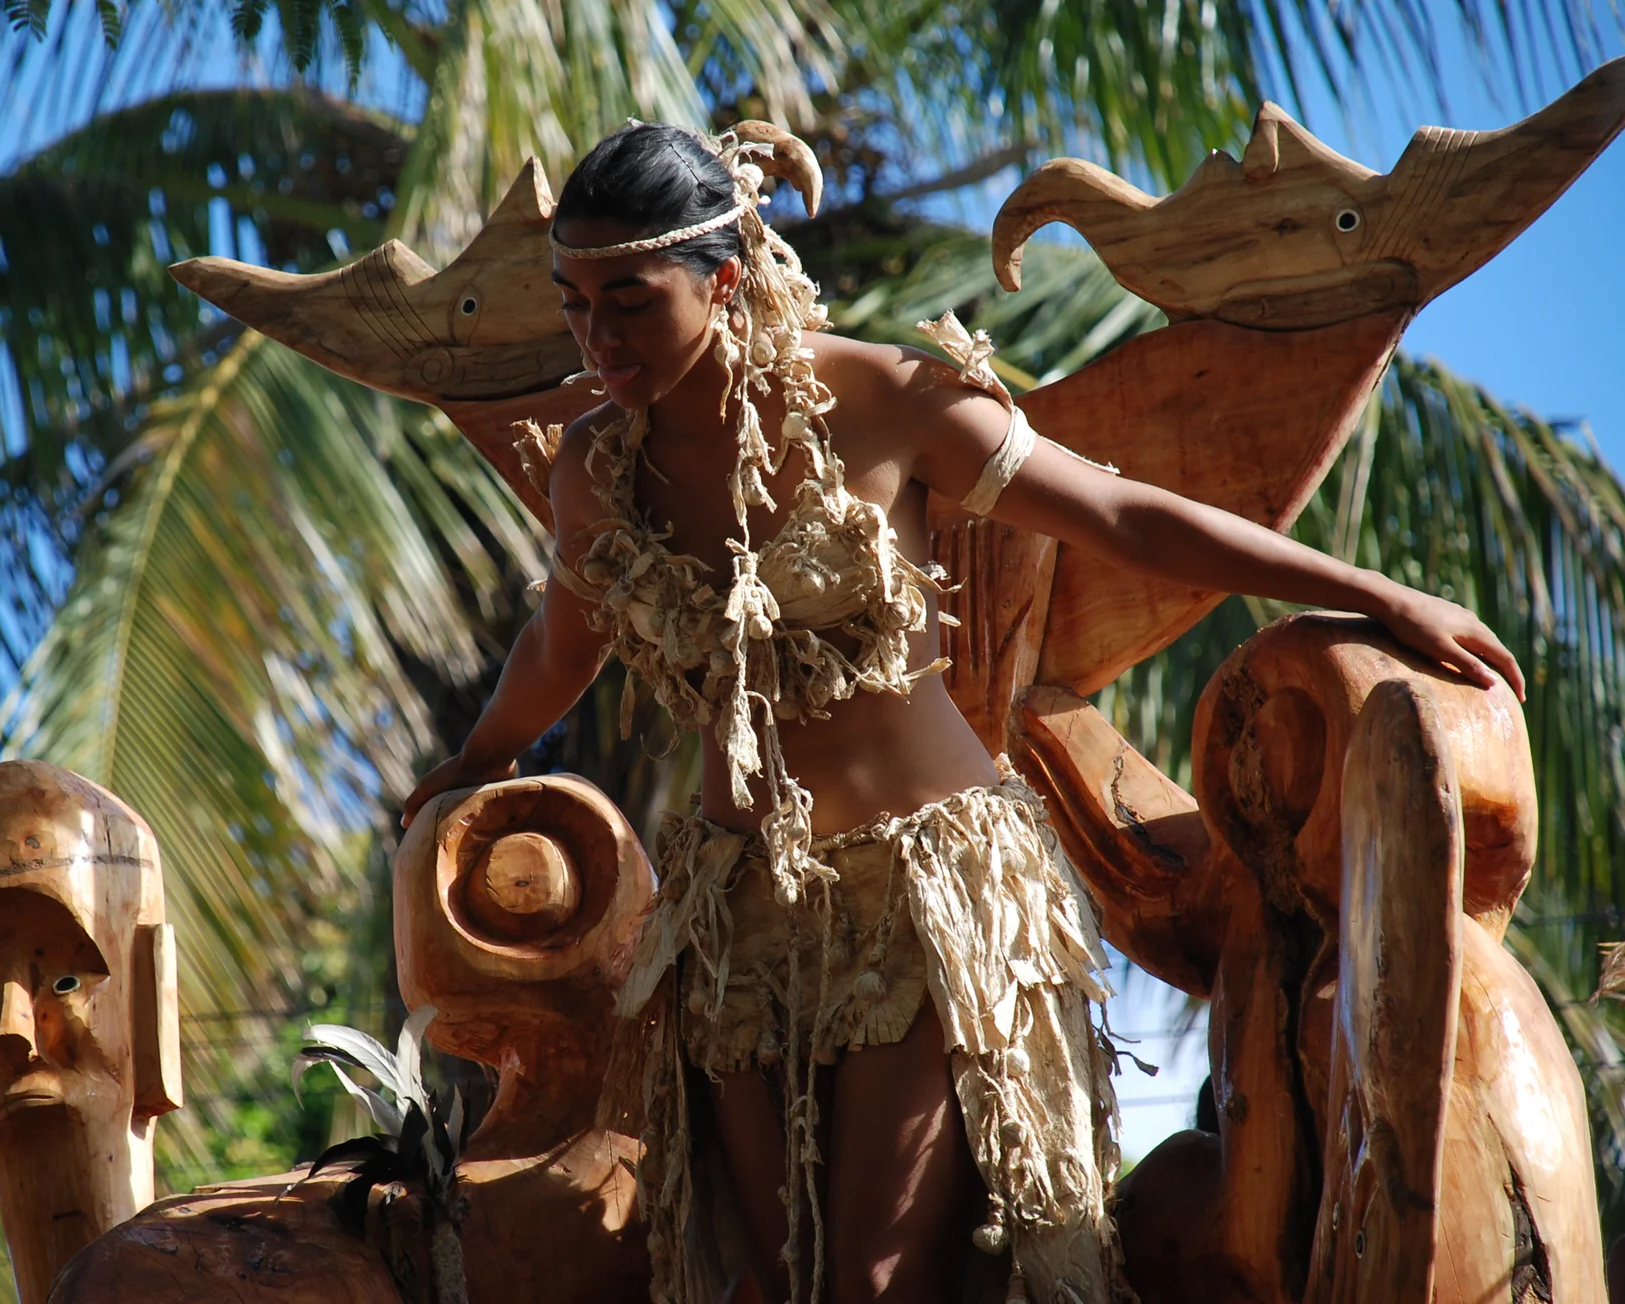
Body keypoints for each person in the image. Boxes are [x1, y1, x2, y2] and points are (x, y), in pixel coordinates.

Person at [401, 121, 1524, 1304]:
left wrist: (1377, 592)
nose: (597, 337)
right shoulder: (594, 466)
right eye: (574, 303)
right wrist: (470, 761)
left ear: (722, 278)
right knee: (776, 1279)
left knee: (872, 1282)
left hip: (928, 897)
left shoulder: (886, 400)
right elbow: (559, 643)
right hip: (736, 913)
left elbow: (1123, 512)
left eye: (627, 300)